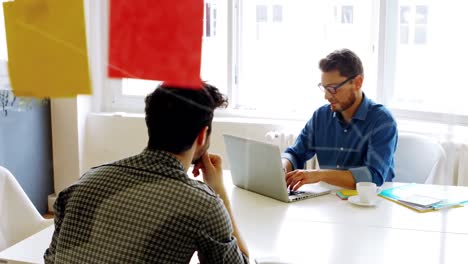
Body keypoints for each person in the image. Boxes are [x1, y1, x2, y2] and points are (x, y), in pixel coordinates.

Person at [44, 83, 249, 263]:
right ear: (202, 135)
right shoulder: (204, 206)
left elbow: (51, 259)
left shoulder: (83, 183)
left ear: (151, 123)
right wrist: (220, 193)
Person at [282, 49, 398, 191]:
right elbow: (295, 153)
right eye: (324, 88)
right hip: (331, 202)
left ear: (357, 82)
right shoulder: (320, 116)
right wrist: (282, 167)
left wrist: (320, 175)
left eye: (332, 88)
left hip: (373, 203)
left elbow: (373, 177)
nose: (326, 96)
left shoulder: (382, 120)